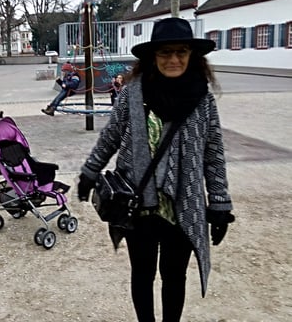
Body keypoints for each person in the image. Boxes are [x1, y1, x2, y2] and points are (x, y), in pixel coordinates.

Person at [76, 18, 234, 322]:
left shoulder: (203, 101)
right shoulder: (132, 95)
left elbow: (213, 154)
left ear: (191, 55)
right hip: (138, 204)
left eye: (181, 52)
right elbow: (110, 137)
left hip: (182, 205)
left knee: (174, 276)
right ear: (153, 56)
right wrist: (90, 172)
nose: (174, 59)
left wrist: (219, 204)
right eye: (165, 52)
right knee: (143, 273)